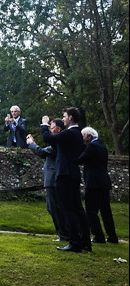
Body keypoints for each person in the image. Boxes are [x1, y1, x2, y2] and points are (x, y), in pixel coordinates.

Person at [41, 108, 92, 253]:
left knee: (67, 208)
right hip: (73, 174)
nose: (63, 119)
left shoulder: (69, 133)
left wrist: (44, 124)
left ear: (70, 117)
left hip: (65, 175)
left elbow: (47, 138)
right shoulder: (77, 134)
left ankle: (74, 242)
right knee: (77, 208)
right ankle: (85, 242)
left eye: (64, 116)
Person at [27, 119, 69, 242]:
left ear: (58, 129)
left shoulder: (58, 143)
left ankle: (65, 235)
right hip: (51, 179)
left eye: (52, 127)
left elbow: (42, 152)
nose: (50, 129)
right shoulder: (58, 143)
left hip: (53, 179)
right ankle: (64, 234)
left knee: (56, 208)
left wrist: (31, 144)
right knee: (52, 208)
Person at [78, 127, 118, 244]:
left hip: (94, 183)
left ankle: (98, 236)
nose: (82, 139)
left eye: (83, 136)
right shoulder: (101, 146)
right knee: (106, 210)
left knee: (91, 211)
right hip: (104, 182)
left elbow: (80, 159)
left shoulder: (91, 146)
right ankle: (112, 236)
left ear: (89, 137)